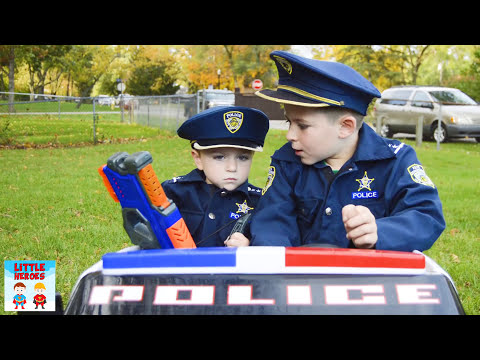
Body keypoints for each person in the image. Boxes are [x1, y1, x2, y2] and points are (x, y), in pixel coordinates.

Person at [231, 50, 445, 252]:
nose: (290, 135)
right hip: (301, 281)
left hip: (368, 283)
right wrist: (276, 261)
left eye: (302, 125)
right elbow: (272, 223)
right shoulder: (287, 162)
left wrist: (379, 232)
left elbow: (427, 215)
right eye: (289, 123)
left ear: (346, 127)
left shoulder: (395, 160)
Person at [161, 106, 269, 247]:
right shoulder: (173, 193)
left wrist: (250, 248)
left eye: (243, 158)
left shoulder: (260, 203)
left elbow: (271, 249)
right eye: (219, 157)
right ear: (198, 159)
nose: (232, 168)